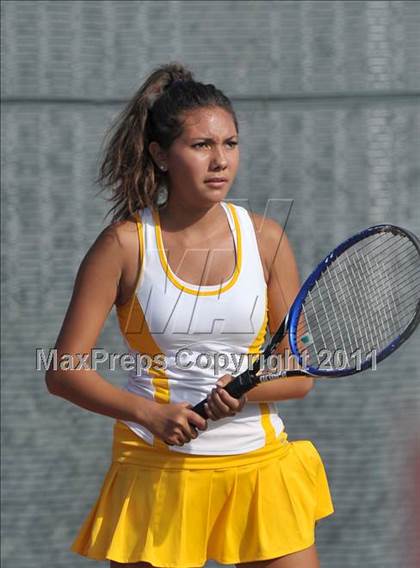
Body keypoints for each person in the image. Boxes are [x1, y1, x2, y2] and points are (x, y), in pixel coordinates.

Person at [45, 62, 334, 568]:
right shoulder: (123, 245)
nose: (220, 160)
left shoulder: (266, 240)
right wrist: (149, 414)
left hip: (260, 470)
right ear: (160, 155)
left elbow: (299, 373)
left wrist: (239, 392)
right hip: (156, 473)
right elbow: (64, 371)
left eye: (231, 144)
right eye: (201, 145)